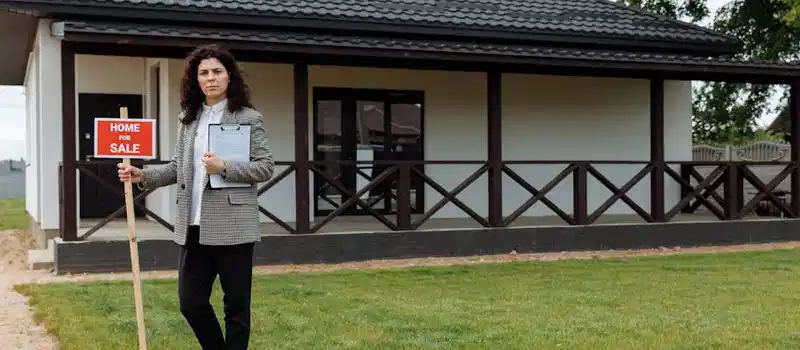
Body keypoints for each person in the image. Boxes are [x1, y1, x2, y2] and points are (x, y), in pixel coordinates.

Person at [117, 44, 274, 350]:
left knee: (236, 307)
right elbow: (178, 167)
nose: (210, 78)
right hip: (193, 226)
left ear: (229, 76)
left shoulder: (248, 117)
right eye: (203, 73)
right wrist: (143, 175)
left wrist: (225, 167)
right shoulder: (188, 119)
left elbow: (265, 167)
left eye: (217, 71)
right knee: (190, 302)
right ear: (196, 79)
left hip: (234, 226)